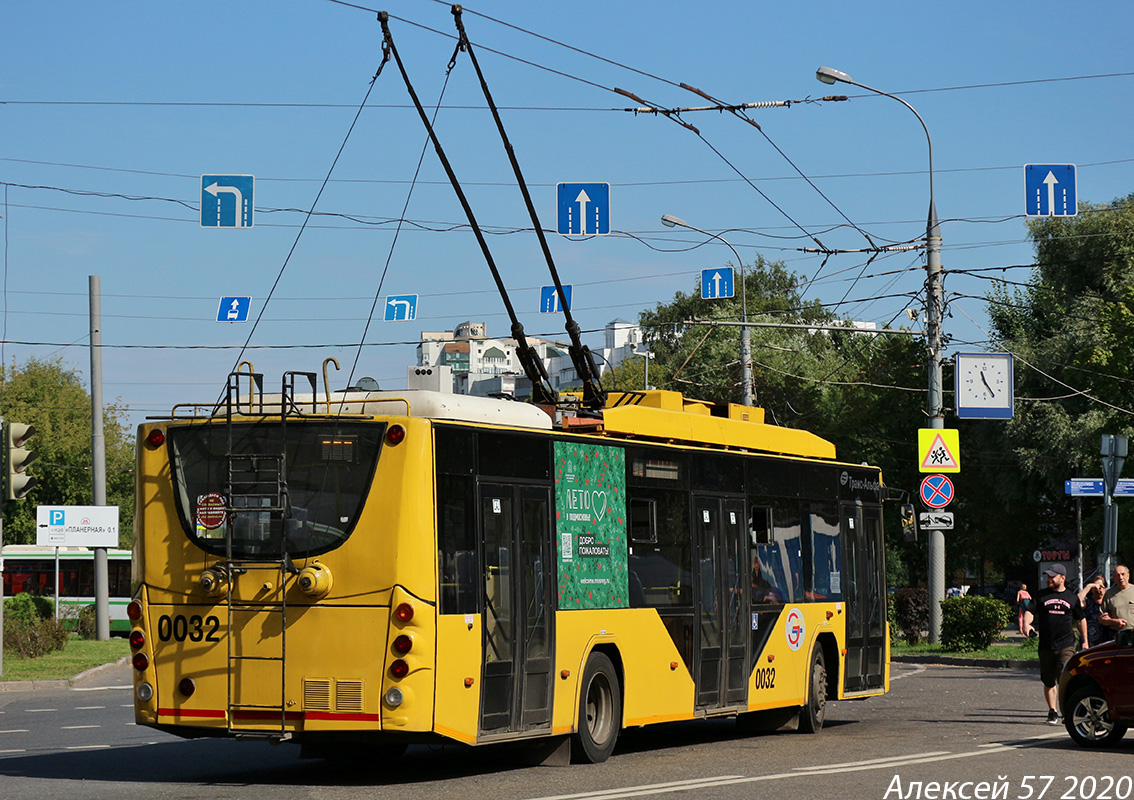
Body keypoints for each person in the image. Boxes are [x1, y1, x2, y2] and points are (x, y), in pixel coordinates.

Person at [1022, 564, 1087, 725]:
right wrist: (1026, 624)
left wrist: (1085, 641)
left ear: (1062, 578)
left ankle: (1067, 712)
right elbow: (1030, 611)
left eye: (1053, 576)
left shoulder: (1072, 598)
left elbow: (1081, 619)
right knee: (1048, 680)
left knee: (1064, 678)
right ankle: (1052, 711)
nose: (1049, 579)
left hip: (1066, 644)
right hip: (1046, 645)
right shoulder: (1041, 595)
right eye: (1048, 576)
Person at [1078, 574, 1111, 648]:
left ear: (1105, 588)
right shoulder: (1087, 601)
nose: (1098, 590)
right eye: (1095, 587)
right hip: (1089, 642)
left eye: (1101, 587)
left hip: (1106, 641)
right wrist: (1088, 587)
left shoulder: (1109, 601)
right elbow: (1076, 603)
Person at [1099, 564, 1134, 633]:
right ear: (1114, 578)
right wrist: (1114, 621)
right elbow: (1101, 619)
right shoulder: (1109, 594)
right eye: (1117, 575)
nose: (1120, 577)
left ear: (1128, 575)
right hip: (1118, 635)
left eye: (1123, 574)